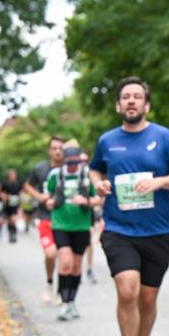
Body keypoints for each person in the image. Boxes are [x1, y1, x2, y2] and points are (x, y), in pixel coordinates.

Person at [90, 77, 169, 336]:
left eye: (137, 97)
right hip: (118, 228)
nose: (131, 101)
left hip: (157, 230)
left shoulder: (164, 137)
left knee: (147, 299)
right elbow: (95, 169)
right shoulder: (107, 141)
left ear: (146, 105)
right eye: (126, 97)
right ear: (119, 105)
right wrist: (99, 184)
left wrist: (158, 182)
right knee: (127, 289)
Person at [46, 145, 98, 321]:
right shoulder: (55, 175)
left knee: (76, 265)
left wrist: (86, 200)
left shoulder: (88, 175)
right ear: (64, 161)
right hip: (60, 224)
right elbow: (48, 196)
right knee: (66, 262)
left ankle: (72, 301)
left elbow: (99, 198)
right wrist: (50, 202)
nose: (74, 166)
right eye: (70, 162)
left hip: (81, 226)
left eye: (77, 162)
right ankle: (64, 303)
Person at [23, 136, 65, 303]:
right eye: (54, 148)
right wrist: (39, 196)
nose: (57, 151)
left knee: (64, 255)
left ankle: (61, 291)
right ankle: (49, 284)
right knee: (51, 253)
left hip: (65, 217)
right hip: (45, 216)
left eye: (60, 148)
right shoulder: (40, 168)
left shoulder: (70, 168)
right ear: (49, 150)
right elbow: (27, 185)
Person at [81, 150, 100, 284]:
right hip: (70, 216)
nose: (83, 164)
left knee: (88, 242)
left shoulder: (90, 177)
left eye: (85, 161)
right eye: (80, 161)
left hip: (87, 214)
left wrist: (88, 202)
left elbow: (97, 197)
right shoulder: (67, 175)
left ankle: (89, 268)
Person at [1, 169, 22, 243]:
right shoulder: (5, 184)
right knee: (9, 221)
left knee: (13, 220)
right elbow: (2, 194)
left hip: (15, 204)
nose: (13, 177)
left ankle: (14, 233)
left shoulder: (18, 184)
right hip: (8, 204)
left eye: (14, 175)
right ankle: (10, 233)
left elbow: (20, 194)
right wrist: (6, 197)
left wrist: (20, 203)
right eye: (11, 175)